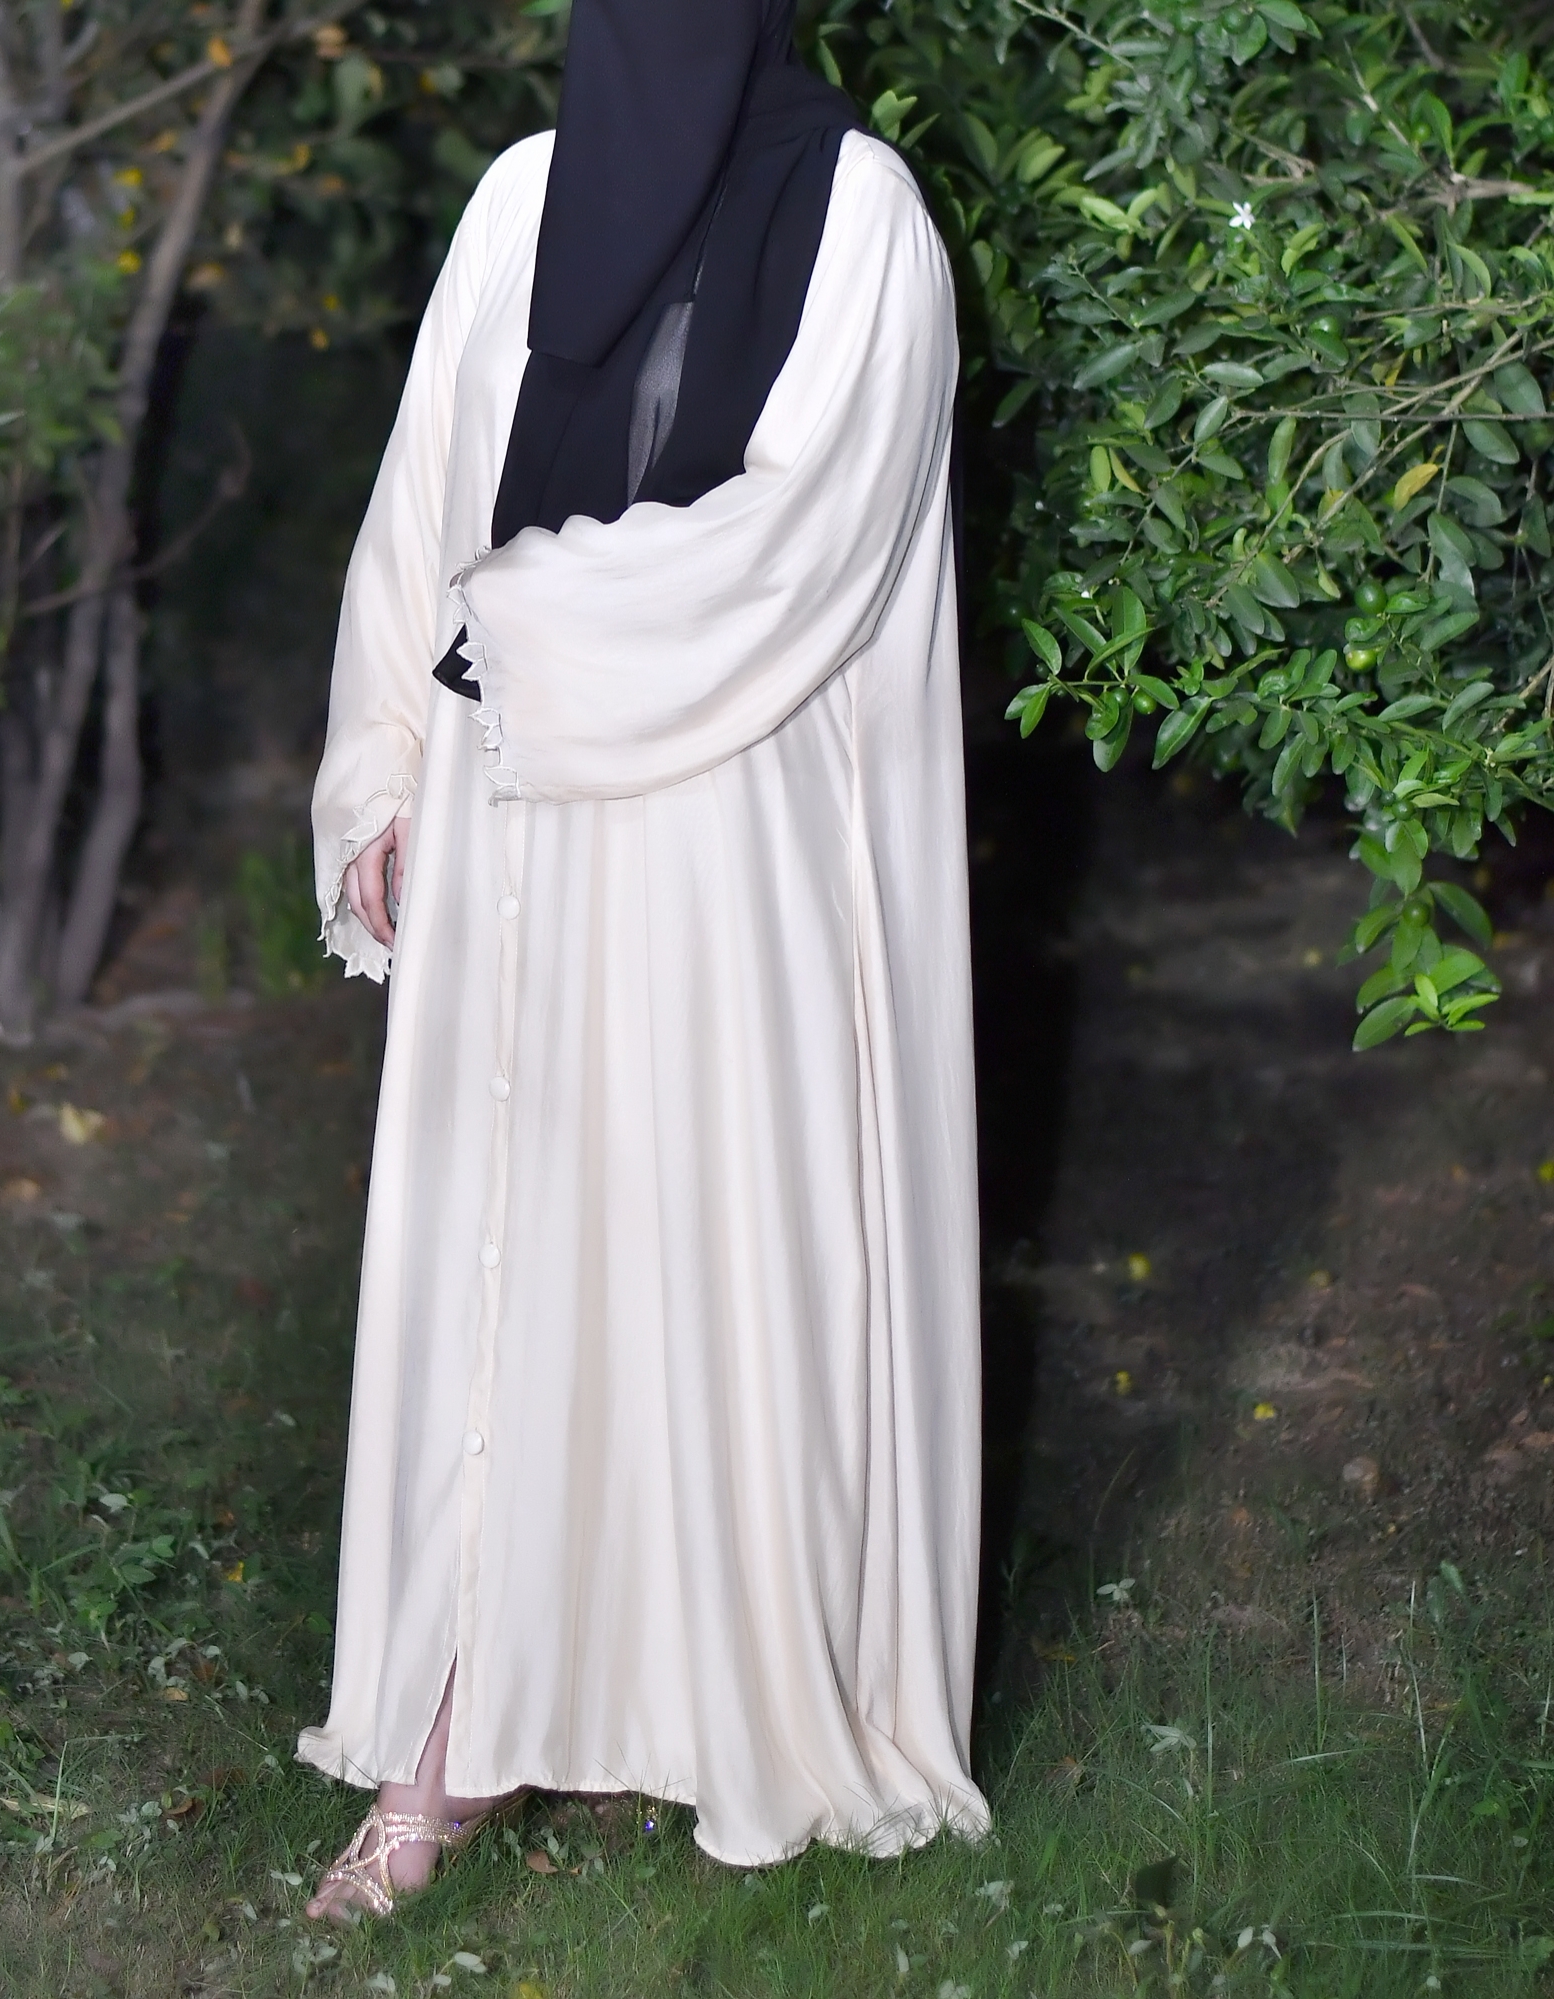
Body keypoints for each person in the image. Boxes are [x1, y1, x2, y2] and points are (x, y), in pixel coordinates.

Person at [299, 0, 990, 1923]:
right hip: (514, 830)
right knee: (506, 1268)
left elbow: (809, 542)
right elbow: (420, 515)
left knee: (704, 1258)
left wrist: (518, 644)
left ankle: (705, 1701)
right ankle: (446, 1746)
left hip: (721, 848)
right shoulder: (520, 205)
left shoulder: (860, 213)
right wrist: (390, 764)